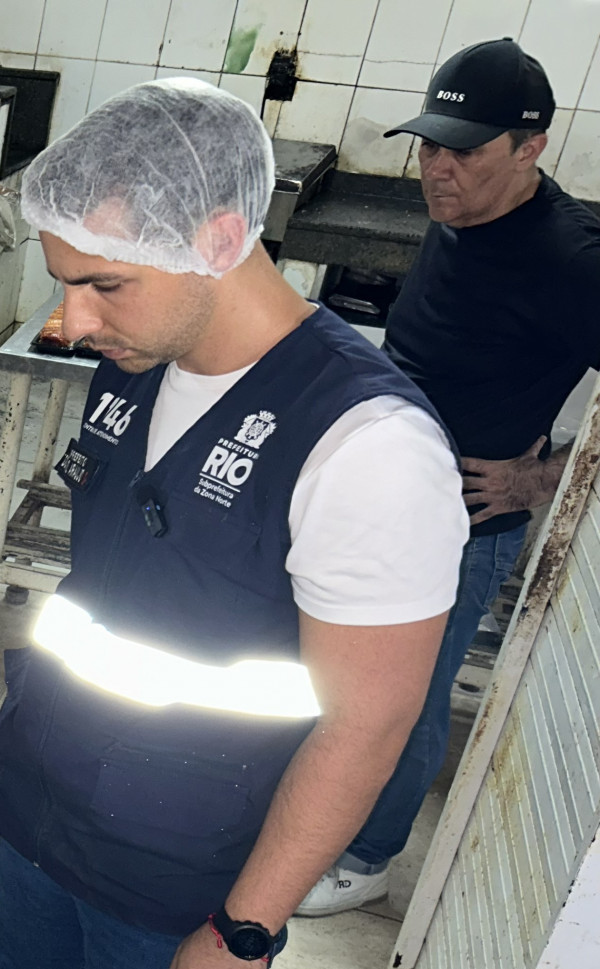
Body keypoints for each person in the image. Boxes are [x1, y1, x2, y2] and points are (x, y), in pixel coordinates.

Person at [0, 80, 466, 969]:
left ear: (222, 238)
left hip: (179, 878)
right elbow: (101, 592)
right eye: (66, 283)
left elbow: (368, 726)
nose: (72, 319)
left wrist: (246, 930)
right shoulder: (135, 369)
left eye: (104, 284)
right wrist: (15, 727)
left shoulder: (365, 446)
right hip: (50, 818)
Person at [300, 38, 600, 915]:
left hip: (463, 526)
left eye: (464, 149)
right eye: (429, 144)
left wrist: (539, 481)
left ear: (529, 147)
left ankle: (365, 855)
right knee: (337, 673)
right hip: (377, 494)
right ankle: (317, 813)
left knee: (407, 696)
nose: (438, 167)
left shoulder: (572, 256)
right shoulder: (457, 215)